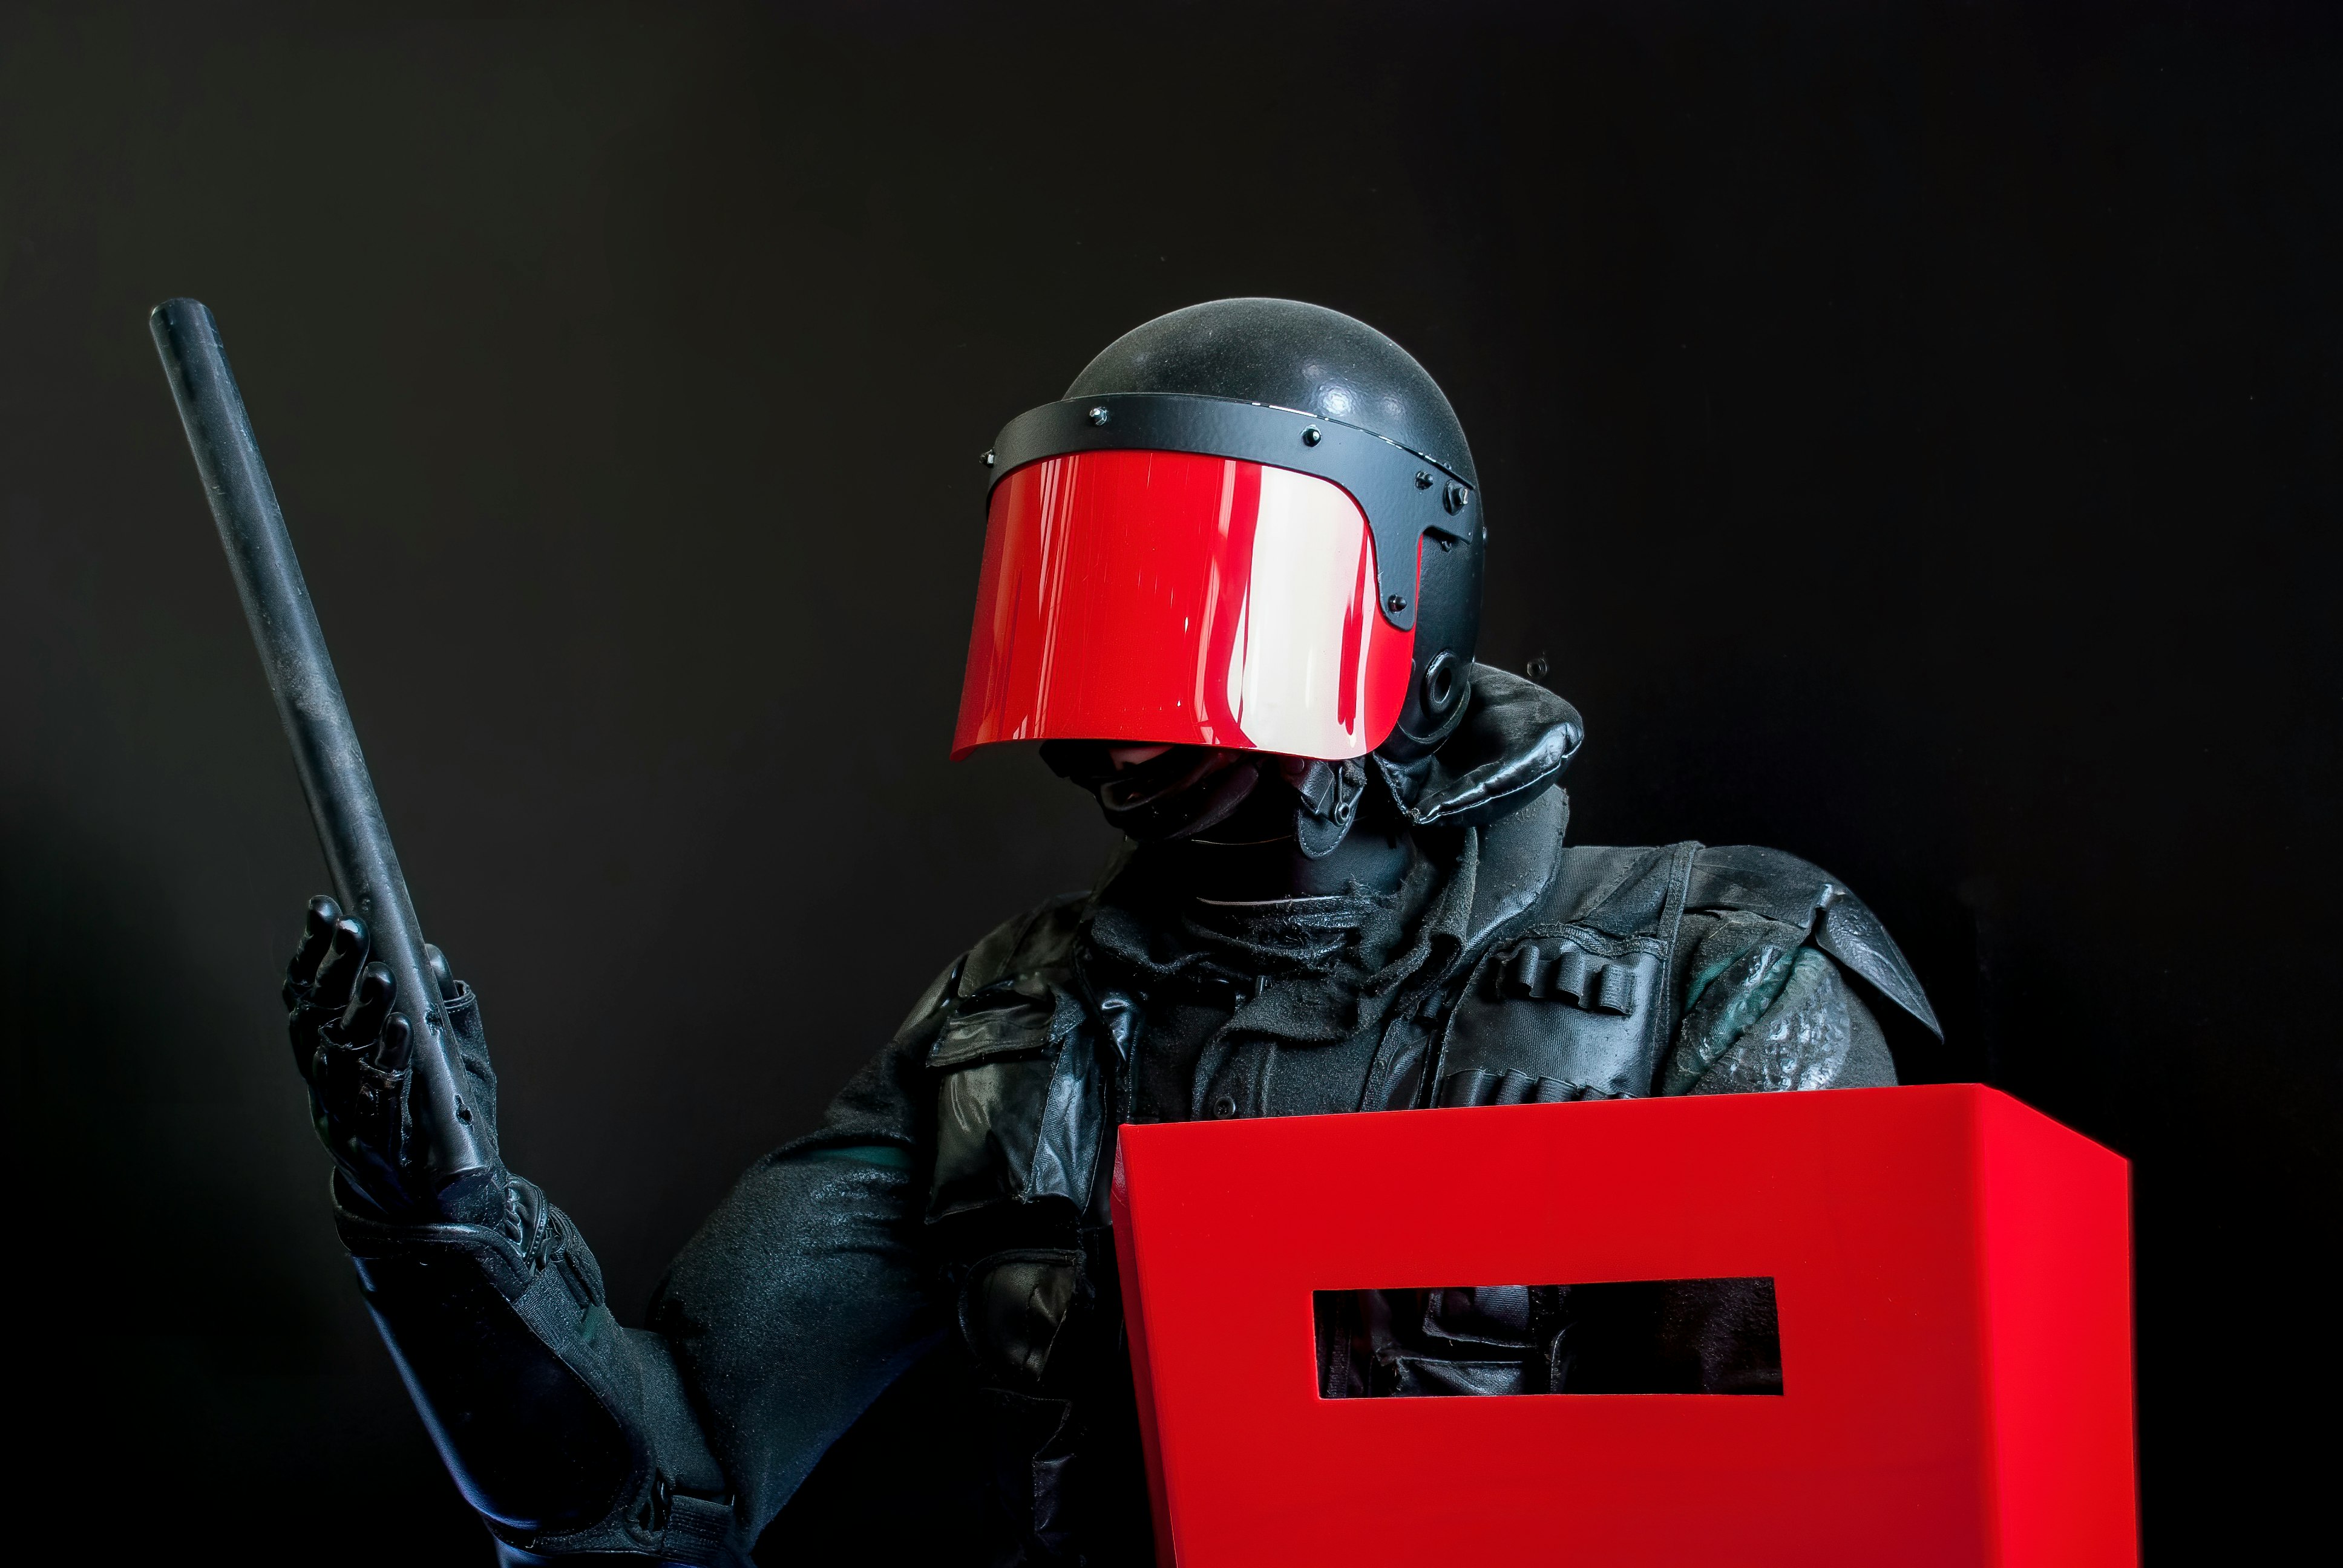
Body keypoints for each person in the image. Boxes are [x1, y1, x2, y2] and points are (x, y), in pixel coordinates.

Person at [281, 298, 1940, 1566]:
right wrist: (444, 1233)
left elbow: (1843, 1509)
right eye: (1101, 584)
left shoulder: (1715, 980)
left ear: (1393, 590)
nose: (1136, 660)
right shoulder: (1013, 1033)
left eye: (1202, 581)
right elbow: (662, 1495)